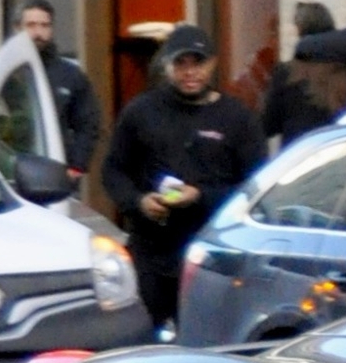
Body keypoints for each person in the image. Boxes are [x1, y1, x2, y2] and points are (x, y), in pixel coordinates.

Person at [101, 24, 266, 327]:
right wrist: (138, 202)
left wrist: (200, 196)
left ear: (213, 63)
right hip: (152, 252)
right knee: (144, 340)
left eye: (198, 63)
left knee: (208, 340)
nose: (190, 72)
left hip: (215, 255)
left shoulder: (238, 119)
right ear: (167, 66)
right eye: (181, 64)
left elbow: (257, 189)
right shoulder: (141, 112)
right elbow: (113, 171)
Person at [259, 1, 346, 147]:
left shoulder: (287, 72)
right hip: (345, 154)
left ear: (299, 29)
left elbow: (268, 124)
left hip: (300, 156)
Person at [14, 0, 103, 177]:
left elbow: (88, 124)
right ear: (17, 28)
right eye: (31, 25)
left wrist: (76, 166)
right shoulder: (5, 73)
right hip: (12, 171)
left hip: (58, 171)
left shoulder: (70, 75)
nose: (38, 32)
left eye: (44, 25)